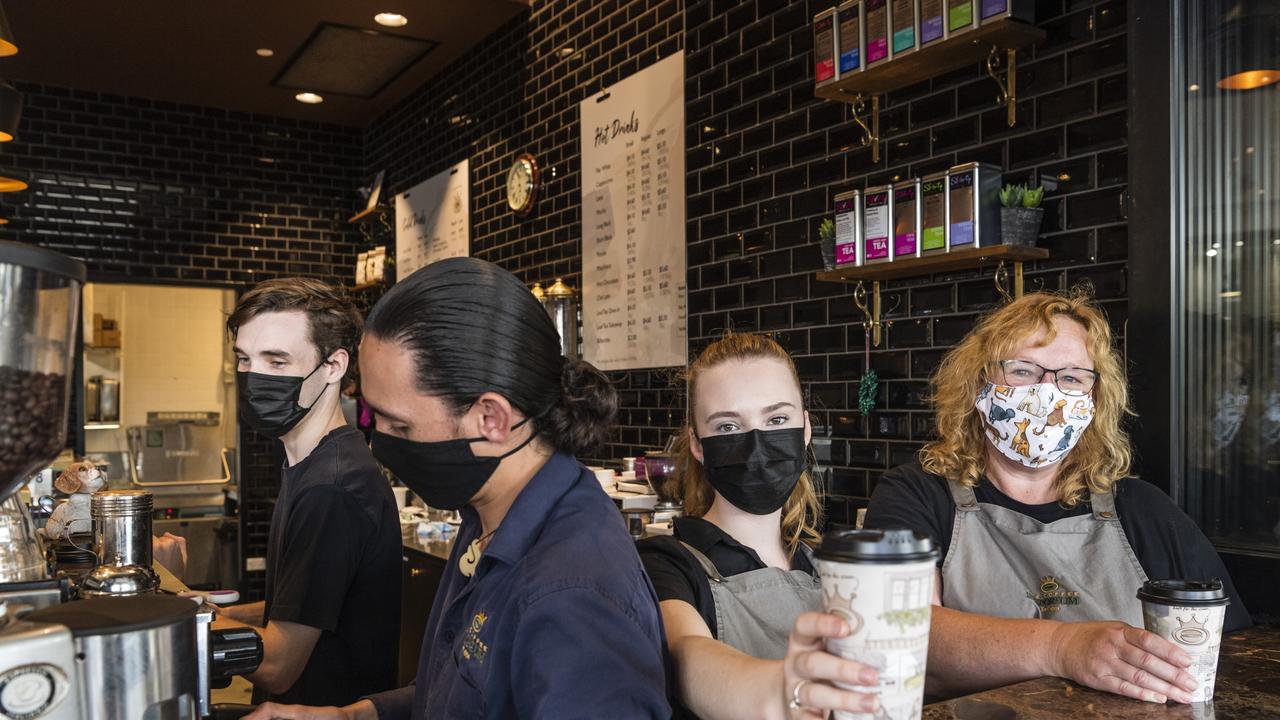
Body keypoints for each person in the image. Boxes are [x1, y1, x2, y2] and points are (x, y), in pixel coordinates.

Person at [247, 257, 670, 720]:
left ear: (491, 419)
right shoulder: (487, 516)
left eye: (399, 426)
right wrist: (350, 716)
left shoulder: (573, 597)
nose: (380, 440)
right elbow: (464, 691)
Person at [864, 289, 1251, 705]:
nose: (1047, 392)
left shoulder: (1143, 509)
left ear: (1094, 400)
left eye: (1070, 378)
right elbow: (900, 633)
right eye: (1023, 371)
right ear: (978, 384)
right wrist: (1064, 648)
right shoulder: (917, 495)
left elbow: (1224, 650)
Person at [639, 333, 879, 720]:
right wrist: (781, 691)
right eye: (728, 428)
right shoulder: (666, 563)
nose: (756, 444)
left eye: (777, 419)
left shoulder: (824, 564)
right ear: (697, 445)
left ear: (804, 431)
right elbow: (687, 657)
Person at [216, 278, 402, 706]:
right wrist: (218, 613)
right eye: (245, 360)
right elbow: (303, 610)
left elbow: (279, 666)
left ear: (334, 367)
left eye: (277, 361)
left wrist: (186, 621)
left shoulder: (331, 488)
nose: (255, 376)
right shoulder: (312, 463)